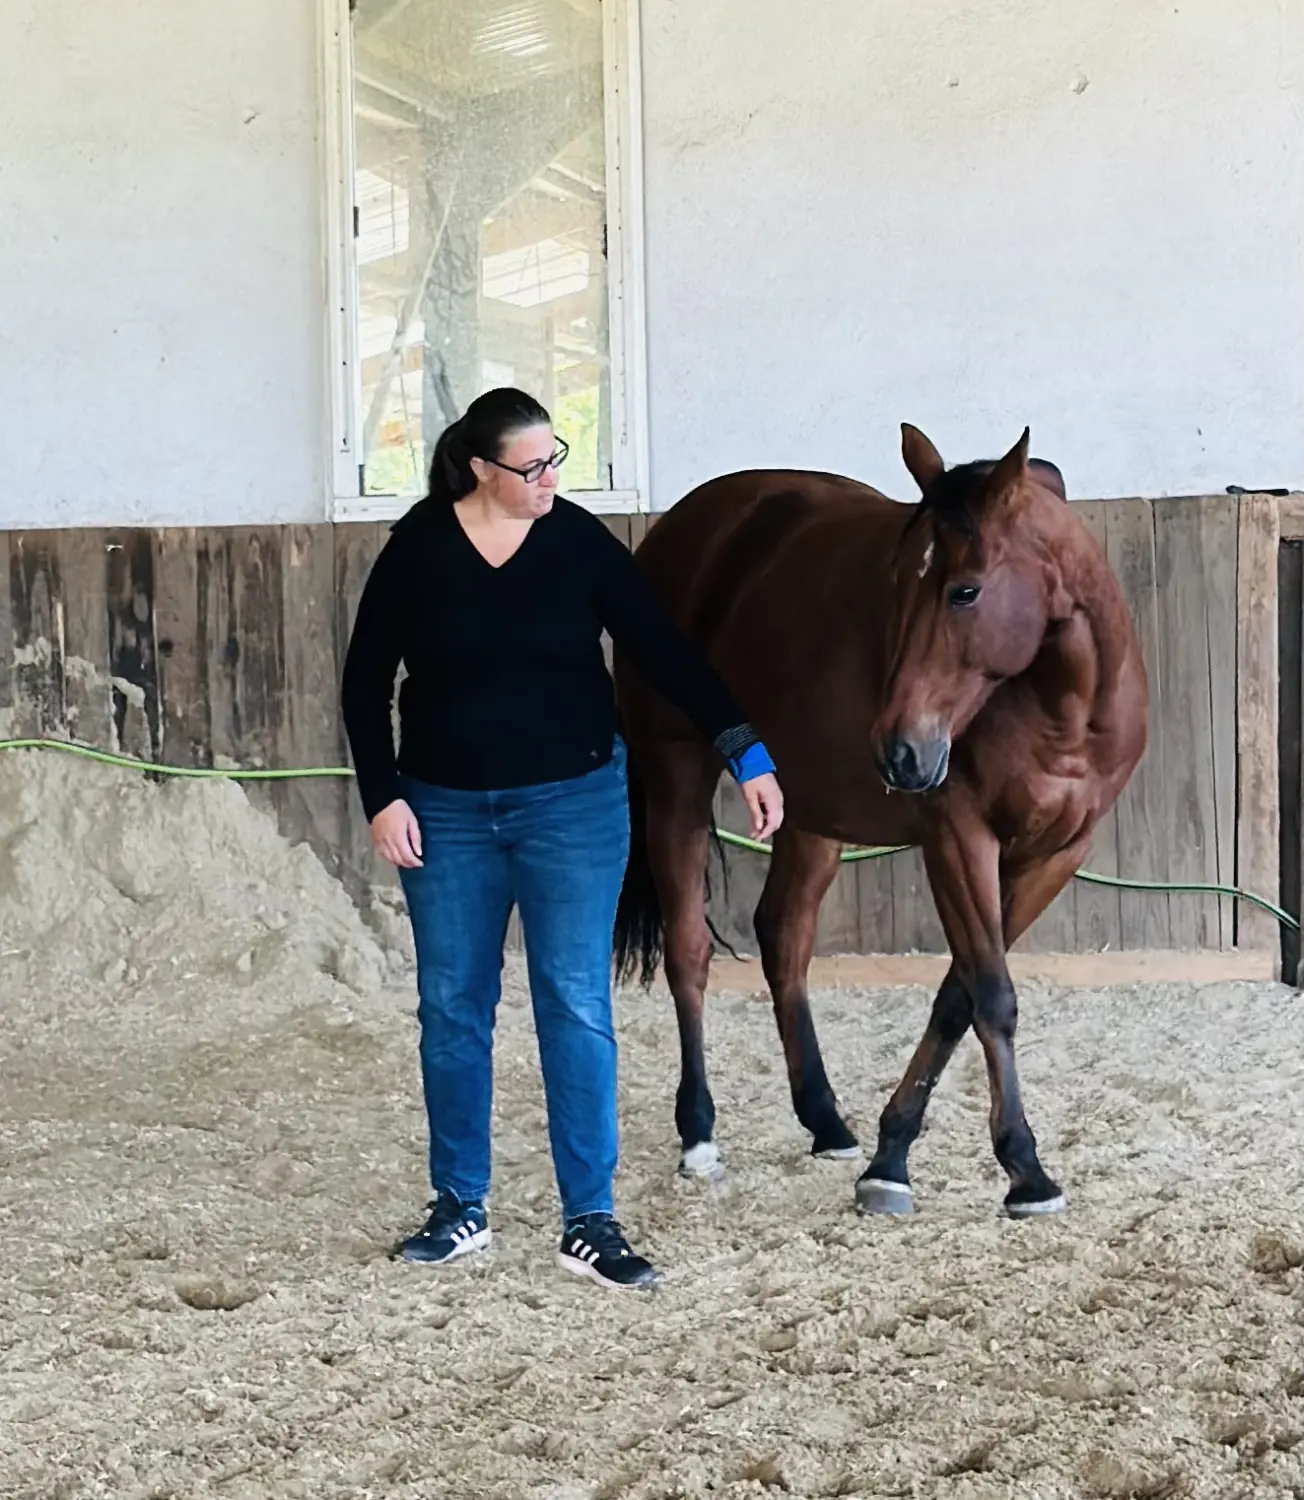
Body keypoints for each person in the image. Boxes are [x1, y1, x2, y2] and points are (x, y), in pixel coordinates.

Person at [340, 387, 783, 1291]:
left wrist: (746, 749)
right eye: (531, 466)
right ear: (480, 469)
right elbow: (363, 680)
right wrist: (382, 797)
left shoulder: (579, 542)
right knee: (451, 1009)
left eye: (556, 460)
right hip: (446, 811)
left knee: (575, 1002)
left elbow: (662, 649)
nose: (549, 478)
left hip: (573, 808)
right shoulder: (419, 549)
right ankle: (459, 1206)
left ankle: (591, 1219)